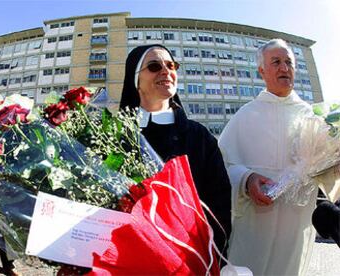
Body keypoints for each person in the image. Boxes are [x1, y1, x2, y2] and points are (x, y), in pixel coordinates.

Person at [218, 38, 332, 275]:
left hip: (295, 224)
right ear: (262, 70)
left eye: (288, 62)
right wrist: (247, 180)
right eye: (276, 62)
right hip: (254, 224)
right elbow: (221, 164)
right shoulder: (245, 115)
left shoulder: (313, 117)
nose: (284, 68)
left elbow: (326, 171)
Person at [119, 44, 232, 262]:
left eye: (171, 65)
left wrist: (205, 253)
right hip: (129, 257)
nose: (166, 71)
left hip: (188, 259)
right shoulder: (115, 135)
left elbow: (220, 203)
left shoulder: (199, 137)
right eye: (154, 66)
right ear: (136, 82)